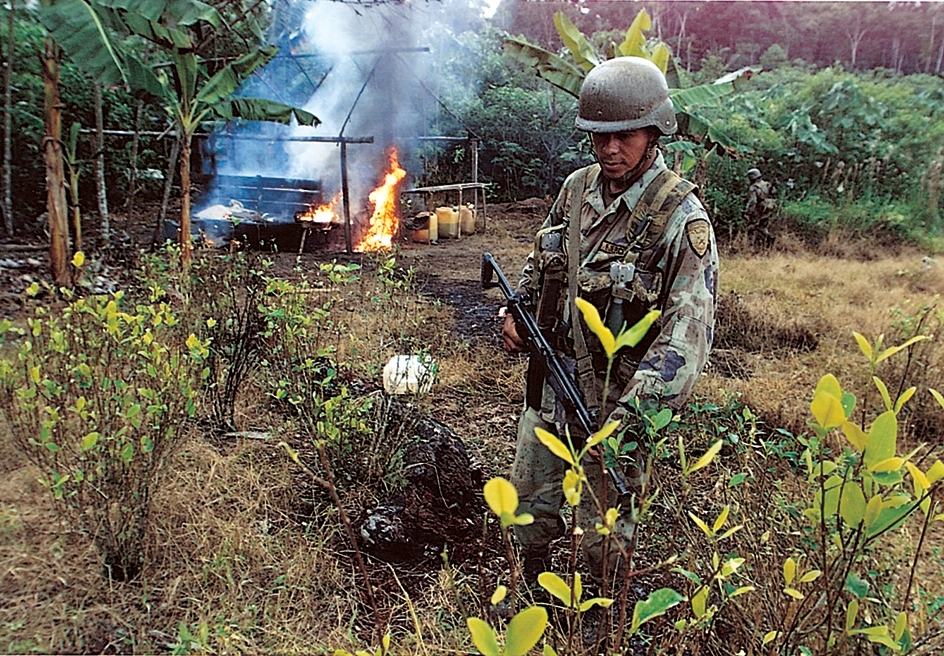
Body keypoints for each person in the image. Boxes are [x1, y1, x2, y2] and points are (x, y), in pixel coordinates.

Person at [500, 57, 718, 586]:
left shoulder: (680, 219)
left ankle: (601, 622)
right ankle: (529, 595)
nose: (610, 149)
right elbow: (543, 260)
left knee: (604, 536)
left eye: (625, 136)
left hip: (616, 409)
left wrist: (627, 421)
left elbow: (685, 340)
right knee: (526, 510)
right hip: (552, 390)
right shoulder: (575, 191)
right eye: (600, 137)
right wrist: (518, 310)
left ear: (655, 131)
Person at [744, 167, 776, 247]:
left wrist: (748, 213)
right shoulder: (767, 184)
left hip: (759, 210)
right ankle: (769, 238)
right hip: (768, 208)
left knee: (751, 228)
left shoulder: (754, 187)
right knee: (762, 226)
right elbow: (773, 193)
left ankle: (750, 246)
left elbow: (753, 201)